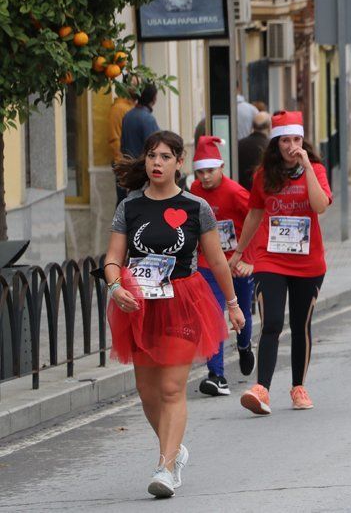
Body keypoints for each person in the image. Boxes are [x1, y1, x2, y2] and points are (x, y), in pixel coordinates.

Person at [105, 130, 245, 497]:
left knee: (171, 388)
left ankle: (165, 467)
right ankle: (176, 449)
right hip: (139, 305)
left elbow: (216, 260)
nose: (157, 163)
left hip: (182, 299)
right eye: (152, 156)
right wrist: (115, 286)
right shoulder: (129, 207)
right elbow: (113, 259)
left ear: (179, 163)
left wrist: (233, 305)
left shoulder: (197, 208)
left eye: (166, 157)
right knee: (147, 391)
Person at [229, 111, 332, 415]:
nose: (291, 146)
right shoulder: (263, 175)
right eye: (285, 140)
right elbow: (254, 214)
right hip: (271, 258)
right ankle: (261, 389)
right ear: (275, 143)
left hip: (308, 262)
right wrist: (238, 253)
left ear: (303, 141)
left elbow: (319, 205)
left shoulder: (317, 170)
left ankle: (298, 386)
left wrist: (308, 169)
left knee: (301, 324)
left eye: (296, 140)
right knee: (272, 321)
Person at [189, 136, 256, 397]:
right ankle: (216, 375)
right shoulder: (194, 191)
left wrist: (249, 258)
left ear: (222, 167)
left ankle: (244, 345)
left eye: (210, 171)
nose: (205, 177)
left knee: (240, 314)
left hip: (236, 263)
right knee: (212, 315)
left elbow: (257, 220)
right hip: (208, 264)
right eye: (200, 172)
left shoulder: (236, 193)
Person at [119, 83, 161, 203]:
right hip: (143, 174)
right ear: (154, 98)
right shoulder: (148, 119)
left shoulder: (128, 115)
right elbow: (155, 149)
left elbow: (122, 145)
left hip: (129, 171)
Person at [238, 111, 271, 189]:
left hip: (241, 190)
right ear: (269, 127)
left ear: (252, 126)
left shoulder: (239, 144)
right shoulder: (270, 146)